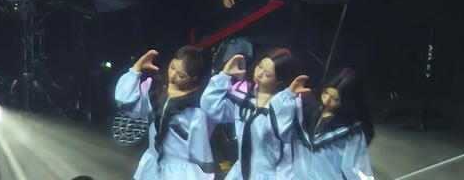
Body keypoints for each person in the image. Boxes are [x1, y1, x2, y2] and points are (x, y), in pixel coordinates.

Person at [199, 47, 309, 180]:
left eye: (267, 74)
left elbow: (280, 132)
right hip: (240, 172)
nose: (259, 73)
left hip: (271, 175)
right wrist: (224, 76)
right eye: (260, 66)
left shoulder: (286, 105)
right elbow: (211, 106)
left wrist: (286, 99)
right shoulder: (244, 94)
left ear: (279, 80)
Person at [113, 45, 218, 178]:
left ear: (194, 77)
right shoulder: (155, 89)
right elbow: (124, 102)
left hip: (183, 172)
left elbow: (201, 146)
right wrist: (136, 69)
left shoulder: (202, 103)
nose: (172, 76)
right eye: (172, 67)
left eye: (181, 75)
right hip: (152, 167)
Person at [294, 66, 375, 180]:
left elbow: (353, 165)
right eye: (326, 93)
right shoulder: (311, 112)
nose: (327, 100)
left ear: (346, 101)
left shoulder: (351, 130)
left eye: (334, 99)